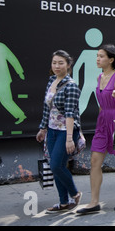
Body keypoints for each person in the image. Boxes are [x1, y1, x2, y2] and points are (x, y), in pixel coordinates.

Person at [77, 44, 115, 214]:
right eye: (97, 56)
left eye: (101, 56)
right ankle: (94, 202)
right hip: (103, 122)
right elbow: (101, 105)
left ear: (111, 59)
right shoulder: (99, 77)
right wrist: (100, 122)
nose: (98, 59)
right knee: (95, 161)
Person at [36, 50, 82, 213]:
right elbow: (46, 108)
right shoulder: (51, 81)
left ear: (68, 65)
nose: (56, 66)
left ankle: (75, 194)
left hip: (66, 131)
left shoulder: (71, 86)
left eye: (60, 63)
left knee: (56, 166)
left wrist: (70, 138)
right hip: (52, 131)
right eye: (54, 62)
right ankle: (63, 203)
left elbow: (70, 114)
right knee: (57, 166)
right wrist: (43, 128)